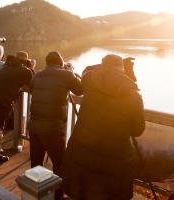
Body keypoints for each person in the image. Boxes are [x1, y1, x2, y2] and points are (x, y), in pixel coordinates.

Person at [59, 54, 145, 200]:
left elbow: (87, 70)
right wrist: (122, 70)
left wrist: (105, 67)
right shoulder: (133, 95)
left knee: (83, 189)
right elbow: (137, 130)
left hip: (83, 149)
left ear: (101, 67)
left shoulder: (89, 81)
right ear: (122, 71)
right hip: (114, 158)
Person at [27, 51, 83, 200]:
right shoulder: (67, 75)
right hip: (53, 128)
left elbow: (32, 91)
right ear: (60, 61)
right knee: (59, 162)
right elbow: (80, 89)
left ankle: (35, 192)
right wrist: (72, 72)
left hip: (34, 125)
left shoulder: (37, 75)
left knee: (36, 161)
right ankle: (57, 194)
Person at [0, 51, 35, 163]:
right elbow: (33, 82)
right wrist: (31, 67)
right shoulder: (23, 70)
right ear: (25, 61)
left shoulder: (7, 65)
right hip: (0, 100)